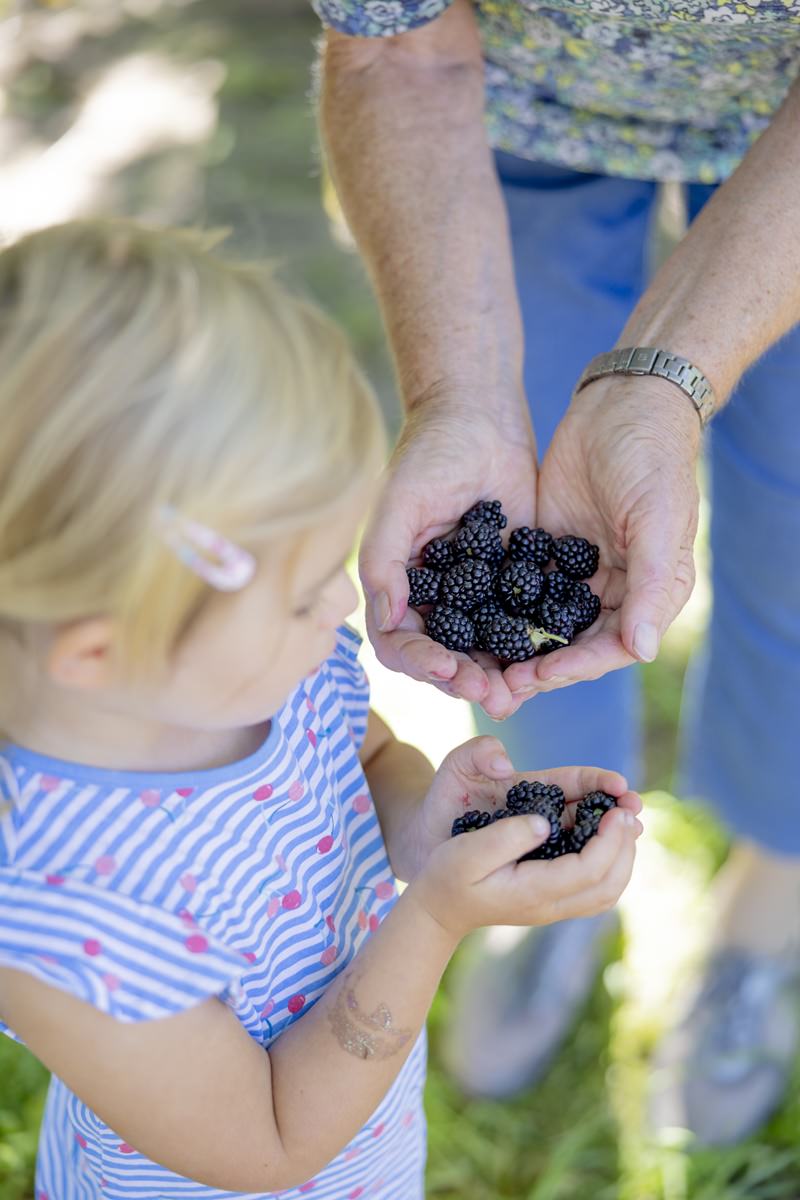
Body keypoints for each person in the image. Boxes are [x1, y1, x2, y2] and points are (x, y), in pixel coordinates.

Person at [0, 219, 642, 1200]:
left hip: (365, 1144)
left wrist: (430, 828)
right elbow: (269, 1144)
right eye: (304, 594)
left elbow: (360, 756)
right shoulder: (60, 915)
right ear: (101, 647)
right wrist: (430, 921)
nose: (341, 608)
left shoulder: (255, 674)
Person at [314, 0, 800, 1144]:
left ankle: (767, 900)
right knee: (531, 493)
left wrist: (658, 385)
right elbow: (395, 49)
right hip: (515, 107)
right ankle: (554, 856)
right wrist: (455, 396)